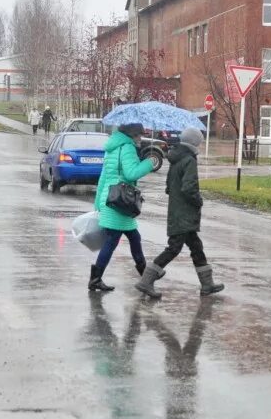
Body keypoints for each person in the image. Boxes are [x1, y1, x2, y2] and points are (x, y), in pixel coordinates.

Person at [135, 127, 224, 299]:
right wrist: (198, 201)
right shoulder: (189, 160)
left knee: (196, 247)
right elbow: (189, 188)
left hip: (177, 211)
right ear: (194, 143)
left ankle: (207, 284)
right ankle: (146, 281)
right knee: (174, 248)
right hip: (185, 213)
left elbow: (169, 187)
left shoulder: (176, 158)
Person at [89, 123, 155, 292]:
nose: (140, 138)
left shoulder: (112, 146)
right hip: (121, 200)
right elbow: (131, 174)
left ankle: (144, 277)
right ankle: (145, 279)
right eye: (139, 135)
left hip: (110, 198)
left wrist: (98, 201)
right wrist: (149, 163)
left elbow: (103, 176)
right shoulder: (127, 148)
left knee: (132, 237)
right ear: (132, 134)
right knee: (113, 241)